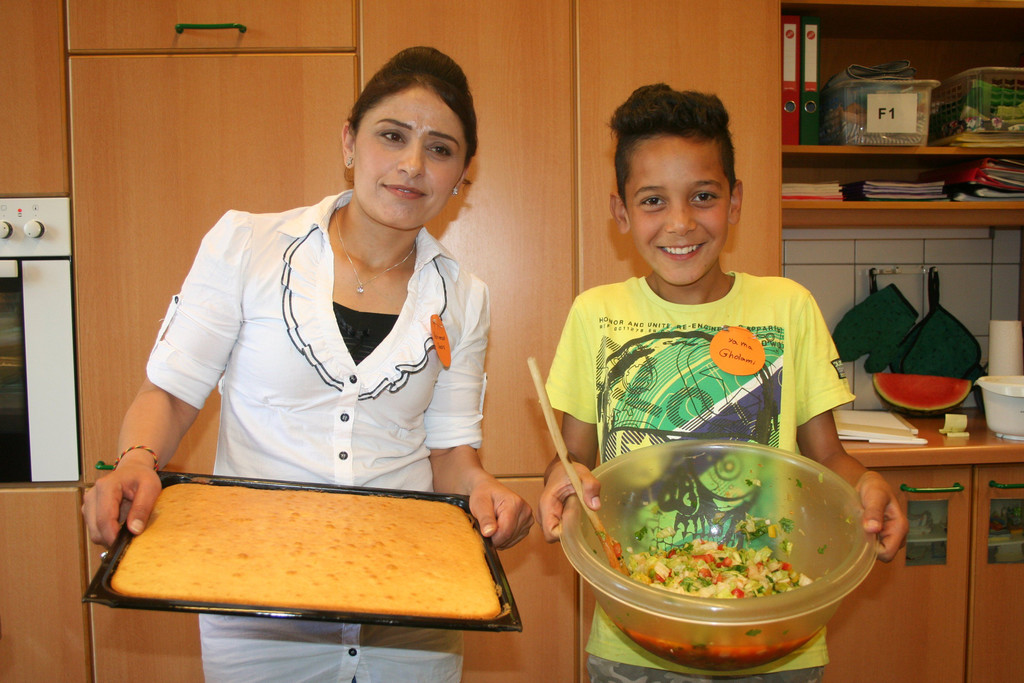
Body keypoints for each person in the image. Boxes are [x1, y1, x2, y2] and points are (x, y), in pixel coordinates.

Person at [82, 46, 533, 683]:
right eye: (392, 136)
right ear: (349, 142)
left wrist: (483, 489)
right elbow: (171, 395)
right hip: (256, 604)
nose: (412, 164)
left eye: (440, 149)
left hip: (409, 608)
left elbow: (451, 454)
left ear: (463, 173)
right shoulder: (249, 246)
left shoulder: (465, 296)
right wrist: (136, 461)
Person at [536, 84, 908, 683]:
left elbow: (828, 458)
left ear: (735, 202)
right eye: (653, 201)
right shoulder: (595, 314)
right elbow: (572, 456)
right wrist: (562, 479)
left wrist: (866, 485)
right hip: (637, 633)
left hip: (776, 630)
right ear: (621, 212)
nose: (680, 222)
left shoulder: (788, 306)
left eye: (703, 196)